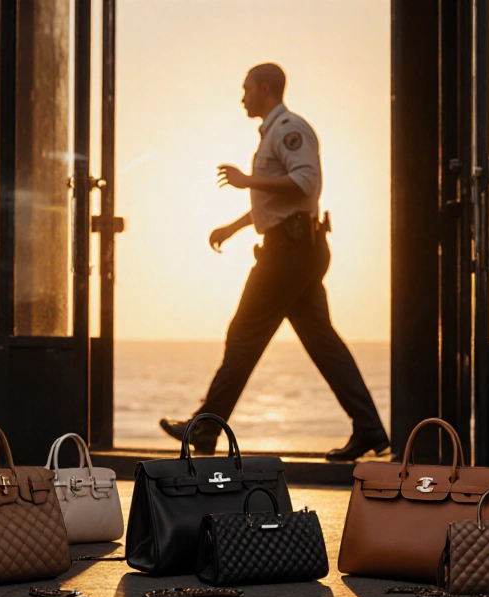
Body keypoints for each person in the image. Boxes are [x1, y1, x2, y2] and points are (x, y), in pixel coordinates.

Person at [159, 63, 389, 462]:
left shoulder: (288, 129)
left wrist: (247, 181)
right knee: (322, 343)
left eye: (246, 89)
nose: (242, 96)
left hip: (290, 254)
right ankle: (369, 428)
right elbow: (279, 204)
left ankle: (206, 428)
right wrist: (233, 227)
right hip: (294, 249)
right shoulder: (274, 133)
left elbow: (305, 183)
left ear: (265, 89)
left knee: (243, 335)